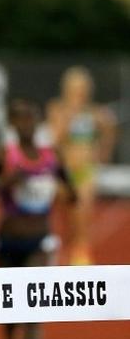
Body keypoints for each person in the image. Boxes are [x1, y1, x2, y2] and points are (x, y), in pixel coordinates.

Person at [0, 98, 77, 339]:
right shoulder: (0, 154)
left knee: (33, 311)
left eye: (31, 118)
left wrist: (65, 190)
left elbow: (72, 191)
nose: (26, 124)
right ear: (11, 124)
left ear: (38, 120)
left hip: (39, 242)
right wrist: (2, 183)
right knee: (9, 309)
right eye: (20, 118)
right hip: (7, 242)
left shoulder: (52, 155)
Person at [45, 66, 116, 265]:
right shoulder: (57, 109)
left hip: (85, 172)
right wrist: (70, 117)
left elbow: (109, 130)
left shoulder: (95, 112)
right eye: (75, 88)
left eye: (82, 88)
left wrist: (103, 152)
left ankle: (82, 260)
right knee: (64, 221)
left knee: (82, 218)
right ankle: (64, 257)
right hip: (63, 172)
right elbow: (54, 139)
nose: (79, 93)